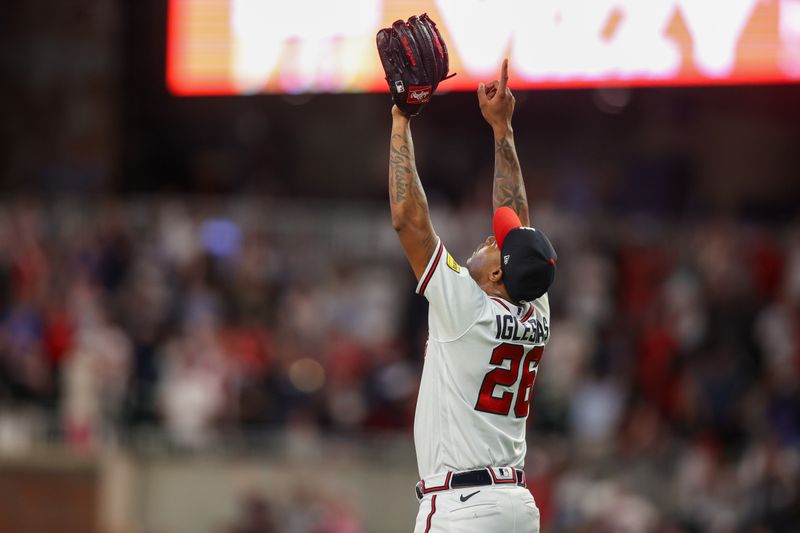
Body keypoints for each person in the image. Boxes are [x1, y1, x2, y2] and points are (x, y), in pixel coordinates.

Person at [388, 59, 556, 533]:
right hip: (516, 505)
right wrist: (502, 129)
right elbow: (515, 218)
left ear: (500, 272)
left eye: (492, 244)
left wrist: (401, 120)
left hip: (463, 506)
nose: (486, 240)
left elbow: (408, 221)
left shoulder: (468, 308)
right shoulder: (534, 306)